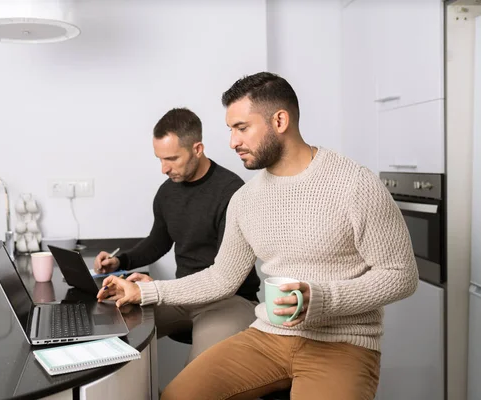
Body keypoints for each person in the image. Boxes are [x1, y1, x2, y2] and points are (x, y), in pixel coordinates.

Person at [97, 73, 418, 400]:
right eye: (230, 130)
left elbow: (401, 276)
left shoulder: (355, 184)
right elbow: (221, 277)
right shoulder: (246, 199)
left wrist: (322, 299)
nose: (233, 142)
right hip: (269, 337)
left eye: (242, 128)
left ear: (279, 120)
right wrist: (143, 292)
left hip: (343, 343)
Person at [93, 107, 261, 362]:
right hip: (181, 296)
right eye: (159, 159)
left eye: (171, 159)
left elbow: (224, 279)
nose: (163, 169)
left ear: (197, 149)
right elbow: (158, 242)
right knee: (110, 330)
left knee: (200, 377)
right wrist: (120, 262)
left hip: (230, 300)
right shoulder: (167, 193)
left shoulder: (232, 192)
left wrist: (156, 289)